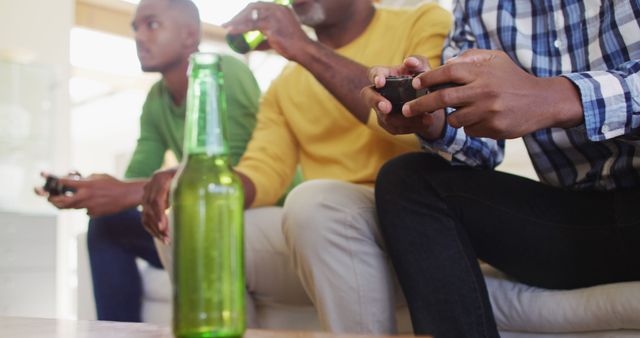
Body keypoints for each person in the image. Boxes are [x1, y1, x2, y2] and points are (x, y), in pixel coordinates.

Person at [141, 0, 451, 334]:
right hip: (321, 235)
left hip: (406, 217)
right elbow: (263, 173)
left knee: (315, 204)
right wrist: (191, 182)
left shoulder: (423, 20)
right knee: (186, 223)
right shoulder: (284, 86)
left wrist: (303, 48)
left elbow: (426, 120)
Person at [361, 1, 640, 337]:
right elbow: (480, 150)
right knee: (407, 180)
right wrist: (435, 118)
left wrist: (558, 97)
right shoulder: (477, 7)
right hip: (579, 223)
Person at [35, 0, 261, 322]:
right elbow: (137, 177)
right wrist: (92, 189)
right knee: (108, 224)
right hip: (192, 216)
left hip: (244, 210)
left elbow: (232, 175)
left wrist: (126, 192)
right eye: (135, 27)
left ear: (189, 34)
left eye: (152, 25)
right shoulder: (156, 100)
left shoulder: (224, 74)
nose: (139, 37)